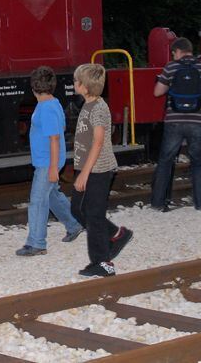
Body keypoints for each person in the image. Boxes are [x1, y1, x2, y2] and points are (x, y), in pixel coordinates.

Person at [69, 63, 133, 278]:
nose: (74, 83)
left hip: (98, 169)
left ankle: (103, 262)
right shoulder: (88, 105)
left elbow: (97, 142)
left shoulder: (98, 108)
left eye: (76, 81)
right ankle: (117, 234)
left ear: (85, 87)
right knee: (77, 209)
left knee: (94, 215)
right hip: (87, 167)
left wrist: (85, 173)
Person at [150, 37, 201, 211]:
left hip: (174, 121)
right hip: (197, 121)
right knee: (198, 162)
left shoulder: (171, 67)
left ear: (177, 51)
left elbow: (157, 92)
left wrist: (171, 85)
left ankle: (157, 203)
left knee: (165, 161)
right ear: (190, 51)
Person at [16, 65, 83, 256]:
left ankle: (37, 243)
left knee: (37, 200)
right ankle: (74, 224)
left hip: (48, 162)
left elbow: (54, 138)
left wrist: (53, 167)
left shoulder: (46, 108)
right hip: (47, 160)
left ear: (33, 87)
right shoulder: (50, 103)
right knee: (52, 195)